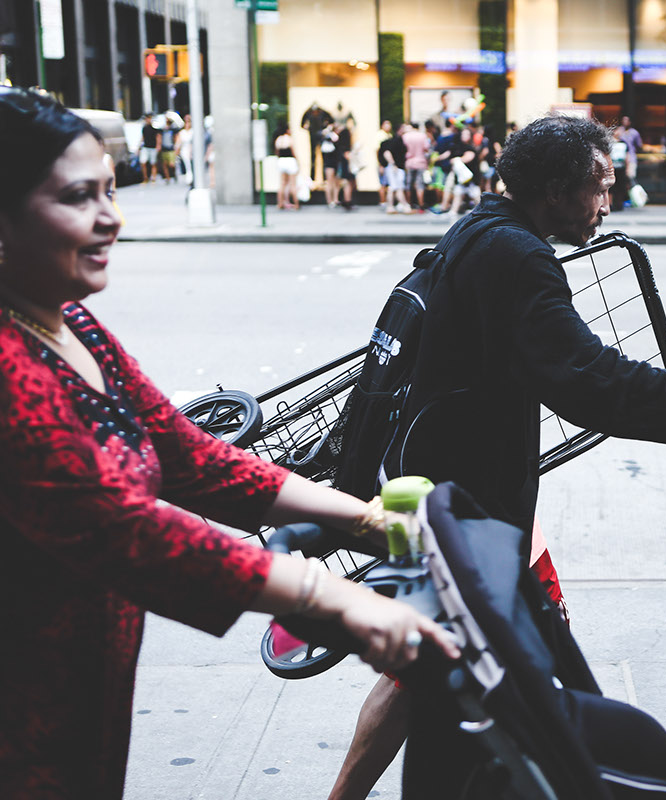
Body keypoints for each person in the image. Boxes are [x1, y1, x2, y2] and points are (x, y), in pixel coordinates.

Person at [0, 87, 460, 800]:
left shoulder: (69, 326)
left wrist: (365, 518)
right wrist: (335, 602)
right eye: (77, 197)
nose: (109, 218)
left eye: (110, 192)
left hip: (86, 684)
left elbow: (191, 457)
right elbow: (128, 531)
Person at [326, 115, 666, 800]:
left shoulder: (482, 229)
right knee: (461, 675)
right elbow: (589, 380)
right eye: (599, 186)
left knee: (456, 673)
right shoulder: (517, 256)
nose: (606, 203)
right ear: (558, 189)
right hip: (471, 518)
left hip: (461, 503)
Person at [301, 101, 334, 181]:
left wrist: (326, 129)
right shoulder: (308, 112)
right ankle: (312, 177)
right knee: (313, 156)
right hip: (313, 135)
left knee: (323, 156)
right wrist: (309, 129)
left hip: (321, 135)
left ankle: (324, 177)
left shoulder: (322, 112)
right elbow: (302, 124)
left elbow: (331, 121)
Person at [402, 119, 430, 211]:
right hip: (421, 162)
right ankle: (421, 204)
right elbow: (426, 148)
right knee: (420, 185)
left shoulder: (405, 136)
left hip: (409, 162)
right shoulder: (422, 136)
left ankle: (409, 204)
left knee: (408, 184)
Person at [275, 123, 300, 210]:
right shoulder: (289, 139)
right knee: (293, 183)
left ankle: (280, 203)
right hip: (290, 161)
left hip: (281, 161)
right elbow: (293, 151)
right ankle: (296, 204)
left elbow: (277, 152)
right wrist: (297, 160)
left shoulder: (278, 139)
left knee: (282, 183)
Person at [139, 114, 160, 184]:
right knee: (143, 162)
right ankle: (145, 178)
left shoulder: (154, 128)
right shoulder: (144, 128)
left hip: (153, 147)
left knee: (153, 163)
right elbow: (143, 137)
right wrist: (139, 146)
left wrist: (158, 146)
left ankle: (153, 177)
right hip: (145, 147)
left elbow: (158, 137)